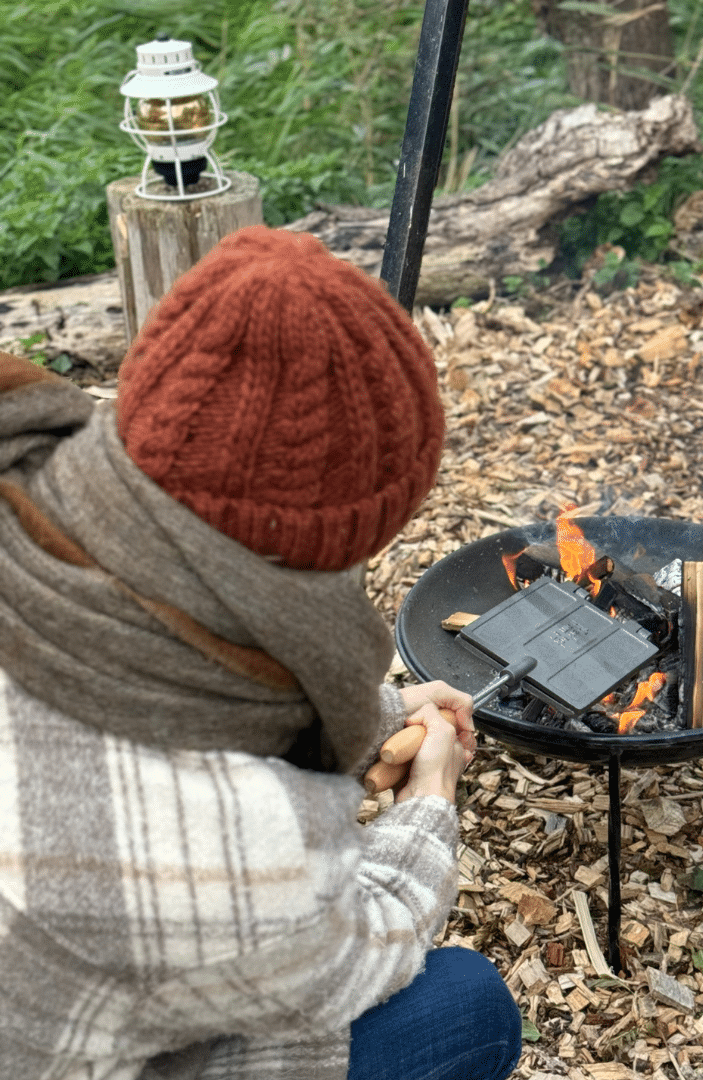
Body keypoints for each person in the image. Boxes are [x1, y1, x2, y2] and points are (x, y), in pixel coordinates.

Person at [0, 226, 522, 1080]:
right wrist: (430, 796)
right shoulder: (234, 845)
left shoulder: (24, 473)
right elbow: (351, 959)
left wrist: (379, 718)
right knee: (467, 1006)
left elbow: (171, 684)